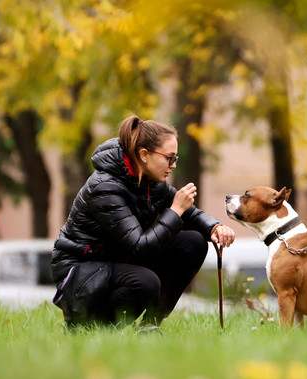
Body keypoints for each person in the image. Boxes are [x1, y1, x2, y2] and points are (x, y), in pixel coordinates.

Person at [50, 115, 235, 330]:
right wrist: (175, 210)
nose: (173, 165)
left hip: (118, 260)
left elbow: (191, 215)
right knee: (145, 281)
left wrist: (214, 226)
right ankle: (89, 326)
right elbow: (139, 247)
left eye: (175, 159)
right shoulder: (105, 187)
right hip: (82, 271)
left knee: (193, 242)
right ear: (144, 155)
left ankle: (149, 327)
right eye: (169, 158)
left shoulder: (150, 181)